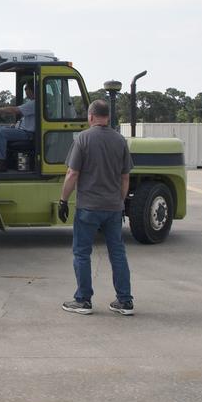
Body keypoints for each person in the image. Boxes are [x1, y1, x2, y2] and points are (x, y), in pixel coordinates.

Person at [58, 98, 134, 316]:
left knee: (82, 253)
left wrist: (63, 200)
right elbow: (125, 177)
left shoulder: (83, 139)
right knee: (117, 253)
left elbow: (73, 174)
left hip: (88, 207)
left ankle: (83, 300)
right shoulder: (120, 140)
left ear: (90, 116)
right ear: (107, 117)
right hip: (113, 207)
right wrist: (119, 203)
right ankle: (125, 301)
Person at [0, 82, 36, 172]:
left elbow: (15, 110)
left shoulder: (34, 103)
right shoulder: (31, 103)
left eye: (26, 89)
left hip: (28, 134)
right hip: (24, 131)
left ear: (31, 90)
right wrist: (15, 125)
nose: (25, 91)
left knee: (1, 133)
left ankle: (1, 162)